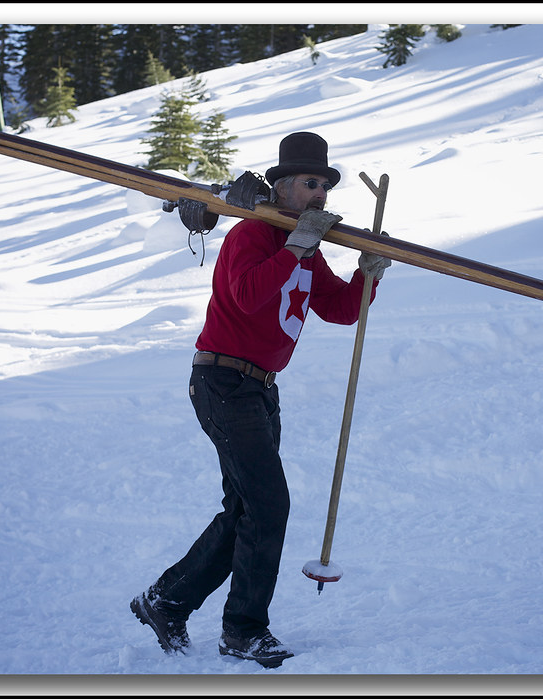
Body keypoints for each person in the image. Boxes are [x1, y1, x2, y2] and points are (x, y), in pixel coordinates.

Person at [130, 132, 391, 668]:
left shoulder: (306, 245)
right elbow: (248, 296)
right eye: (308, 183)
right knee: (269, 505)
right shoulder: (252, 234)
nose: (319, 193)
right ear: (281, 186)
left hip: (260, 388)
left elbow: (339, 310)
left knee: (248, 507)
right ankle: (243, 631)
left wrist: (367, 274)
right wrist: (296, 246)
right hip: (222, 382)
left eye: (323, 184)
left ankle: (166, 600)